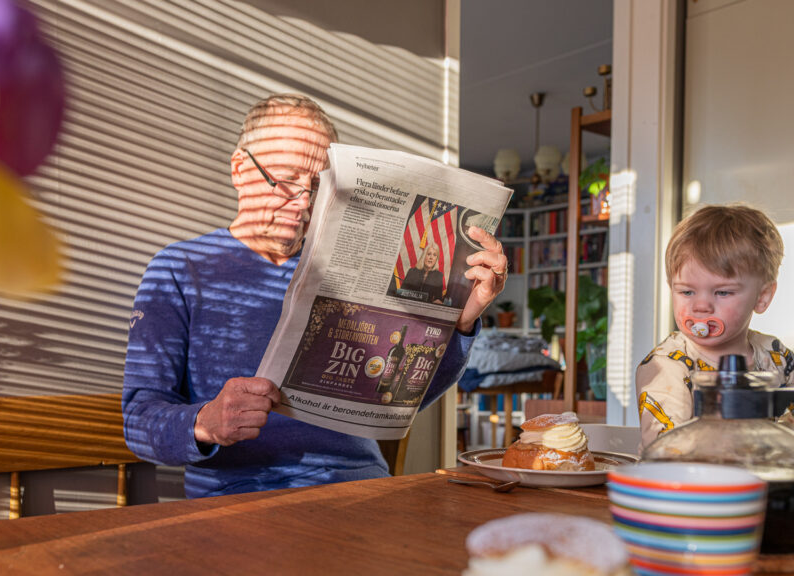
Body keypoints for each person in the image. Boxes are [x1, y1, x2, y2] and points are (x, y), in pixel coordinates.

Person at [122, 94, 509, 498]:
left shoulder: (346, 263)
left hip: (360, 486)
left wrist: (462, 322)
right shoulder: (181, 268)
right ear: (239, 169)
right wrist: (206, 422)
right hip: (238, 495)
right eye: (286, 180)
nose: (303, 204)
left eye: (317, 187)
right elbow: (138, 420)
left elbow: (400, 398)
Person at [636, 203, 794, 478]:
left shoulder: (774, 357)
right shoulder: (668, 364)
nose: (701, 306)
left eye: (723, 293)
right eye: (687, 292)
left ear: (762, 296)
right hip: (695, 495)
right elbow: (666, 450)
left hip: (769, 494)